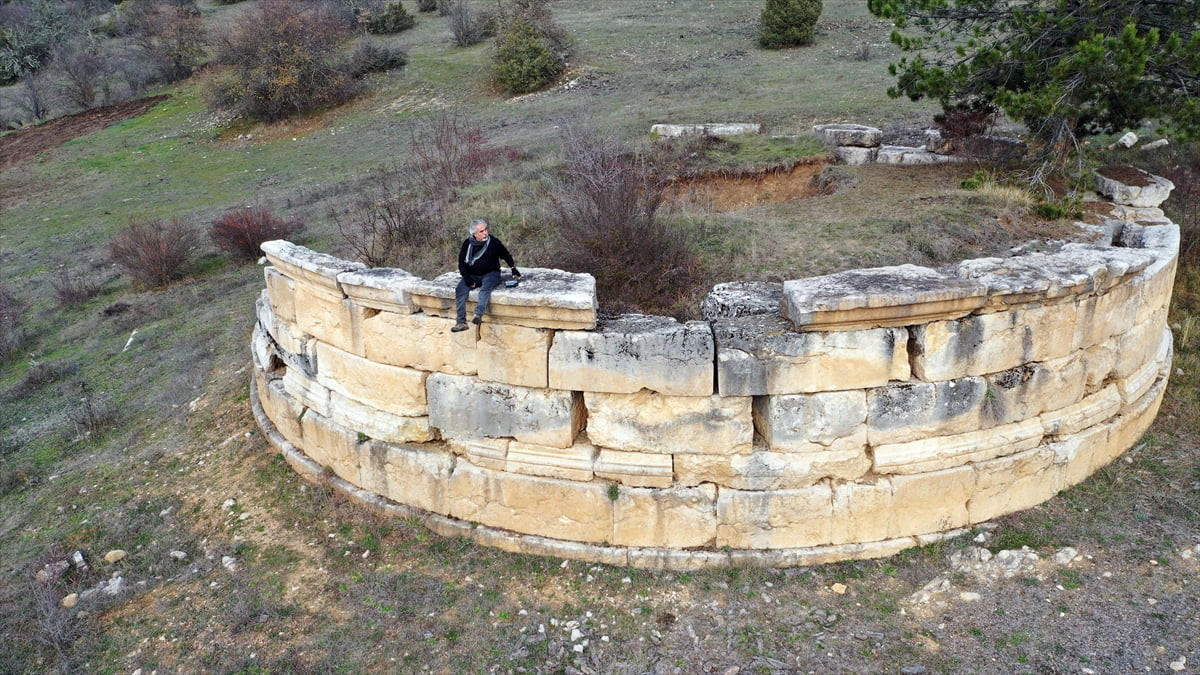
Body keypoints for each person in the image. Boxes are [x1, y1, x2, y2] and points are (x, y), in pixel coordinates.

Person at [452, 218, 521, 332]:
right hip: (472, 274)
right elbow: (462, 263)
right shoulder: (467, 244)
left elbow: (505, 254)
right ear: (474, 234)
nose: (485, 233)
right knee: (460, 289)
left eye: (486, 229)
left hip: (491, 273)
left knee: (485, 288)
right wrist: (467, 278)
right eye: (481, 231)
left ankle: (478, 315)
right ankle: (461, 322)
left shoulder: (493, 242)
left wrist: (513, 268)